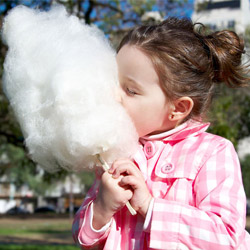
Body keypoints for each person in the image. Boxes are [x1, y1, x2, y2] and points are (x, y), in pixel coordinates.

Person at [72, 17, 250, 249]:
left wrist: (150, 207)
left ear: (178, 108)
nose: (115, 95)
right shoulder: (115, 152)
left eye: (131, 90)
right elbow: (83, 238)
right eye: (115, 83)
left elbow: (226, 237)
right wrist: (102, 207)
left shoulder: (212, 153)